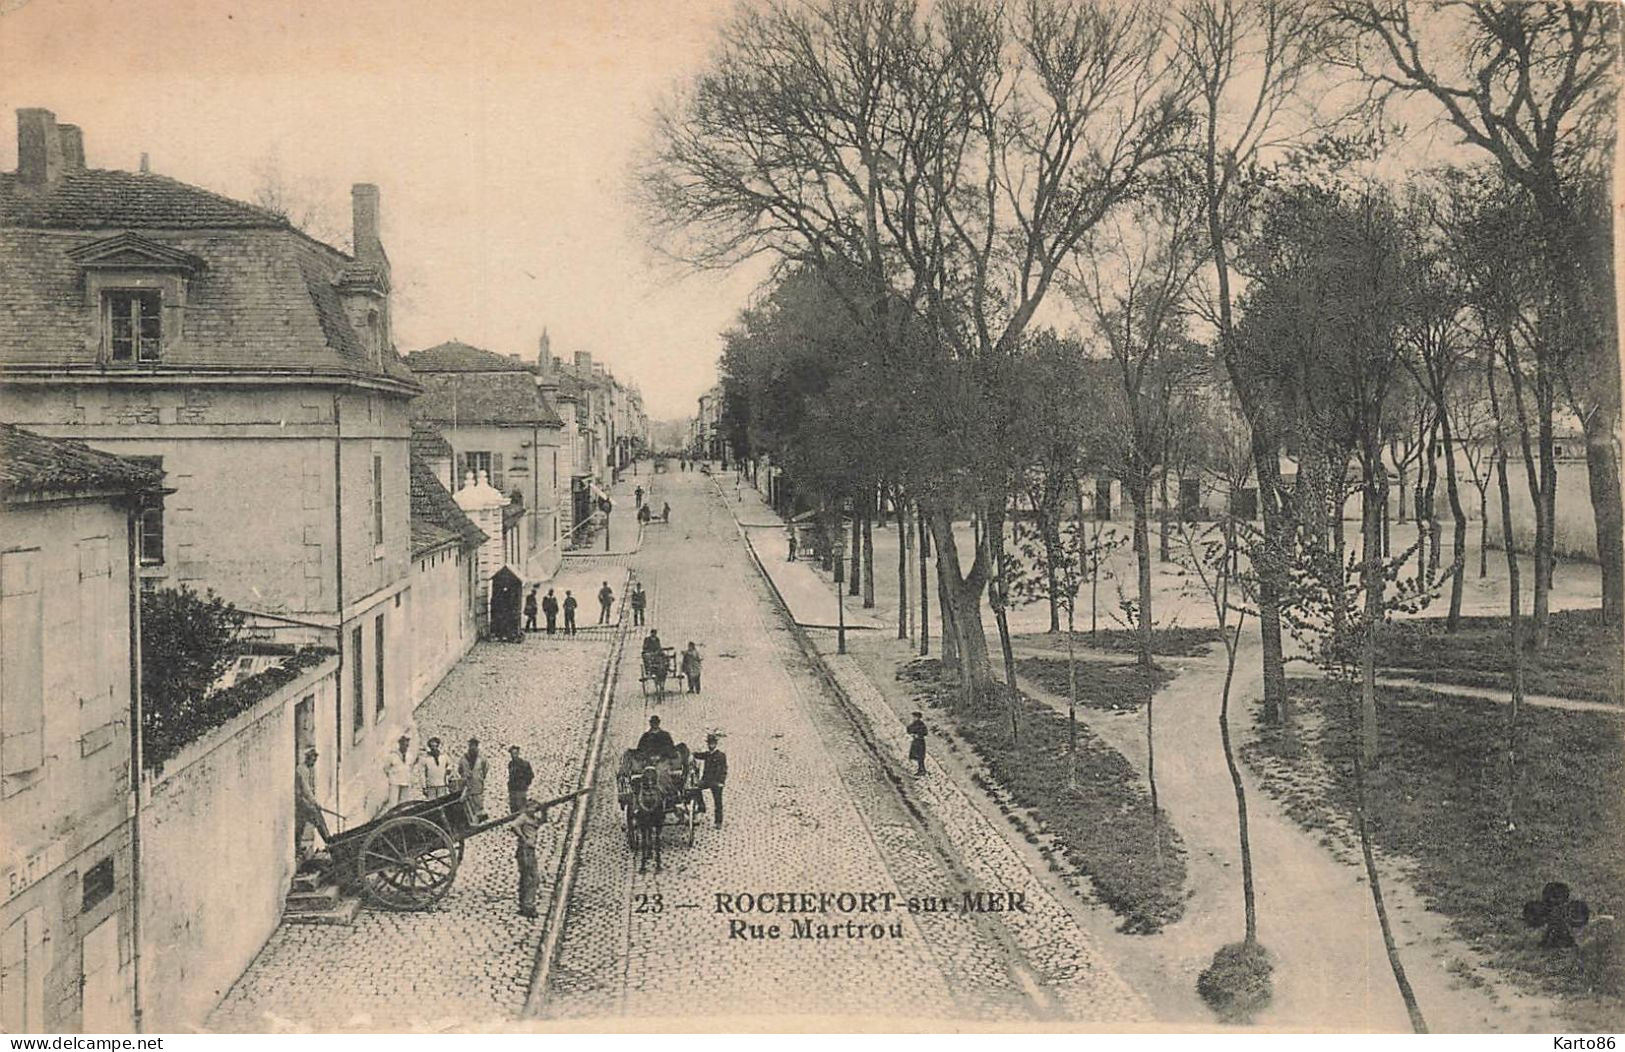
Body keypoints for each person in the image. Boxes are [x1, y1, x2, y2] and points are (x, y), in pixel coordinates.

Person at [513, 798, 551, 919]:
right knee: (533, 878)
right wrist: (524, 838)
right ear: (527, 807)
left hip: (529, 851)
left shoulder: (533, 819)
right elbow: (514, 825)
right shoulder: (524, 817)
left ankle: (524, 905)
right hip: (526, 851)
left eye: (535, 808)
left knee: (526, 878)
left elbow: (543, 821)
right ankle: (528, 906)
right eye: (531, 807)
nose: (533, 810)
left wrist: (545, 810)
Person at [295, 747, 329, 855]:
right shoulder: (302, 770)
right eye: (313, 760)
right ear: (308, 758)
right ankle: (329, 842)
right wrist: (315, 803)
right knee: (317, 818)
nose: (314, 762)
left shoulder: (307, 769)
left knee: (301, 825)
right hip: (301, 801)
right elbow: (306, 790)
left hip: (303, 801)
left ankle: (297, 848)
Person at [691, 733, 728, 828]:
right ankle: (701, 806)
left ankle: (718, 822)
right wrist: (691, 754)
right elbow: (698, 755)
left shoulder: (721, 755)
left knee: (718, 802)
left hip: (716, 782)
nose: (711, 745)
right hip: (706, 781)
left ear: (716, 744)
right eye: (709, 744)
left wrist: (721, 782)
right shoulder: (707, 754)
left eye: (712, 743)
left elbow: (724, 769)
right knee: (695, 788)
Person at [459, 738, 490, 821]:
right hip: (467, 784)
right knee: (468, 801)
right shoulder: (464, 758)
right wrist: (465, 776)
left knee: (478, 800)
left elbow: (485, 768)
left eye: (474, 746)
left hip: (477, 783)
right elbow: (460, 770)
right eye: (471, 746)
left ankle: (480, 818)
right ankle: (470, 818)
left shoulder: (481, 758)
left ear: (477, 746)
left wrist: (480, 777)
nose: (472, 748)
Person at [385, 735, 416, 805]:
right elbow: (386, 768)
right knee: (393, 802)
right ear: (400, 745)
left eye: (407, 745)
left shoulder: (409, 755)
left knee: (404, 802)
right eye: (404, 745)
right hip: (395, 782)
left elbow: (410, 767)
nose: (405, 747)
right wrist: (392, 775)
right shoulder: (393, 755)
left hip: (405, 781)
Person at [507, 745, 535, 815]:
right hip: (512, 790)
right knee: (513, 808)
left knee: (521, 808)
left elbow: (530, 776)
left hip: (521, 789)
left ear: (518, 753)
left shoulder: (524, 764)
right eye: (512, 754)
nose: (514, 756)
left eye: (515, 753)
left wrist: (524, 785)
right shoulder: (510, 764)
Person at [906, 712, 928, 776]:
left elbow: (925, 732)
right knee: (918, 756)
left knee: (920, 756)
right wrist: (913, 733)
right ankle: (921, 769)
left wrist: (918, 734)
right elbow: (909, 729)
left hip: (920, 741)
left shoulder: (921, 724)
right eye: (913, 717)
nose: (914, 718)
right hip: (916, 741)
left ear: (918, 717)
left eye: (915, 717)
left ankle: (921, 770)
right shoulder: (914, 723)